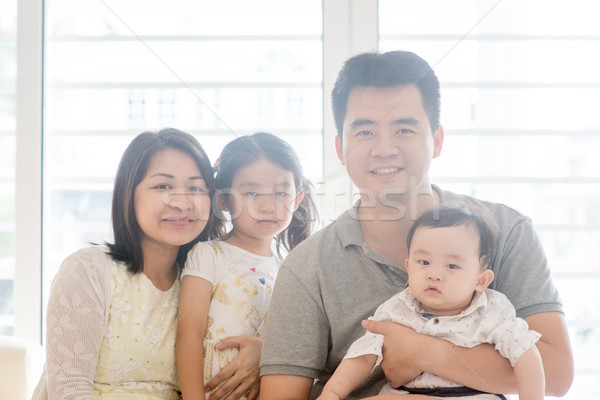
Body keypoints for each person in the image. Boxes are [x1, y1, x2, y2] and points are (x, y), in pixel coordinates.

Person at [259, 50, 574, 399]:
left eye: (404, 129)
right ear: (340, 148)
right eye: (364, 132)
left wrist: (425, 352)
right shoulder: (307, 267)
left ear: (436, 140)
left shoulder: (507, 231)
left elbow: (557, 374)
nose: (384, 148)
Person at [32, 128, 224, 399]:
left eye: (195, 188)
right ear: (128, 194)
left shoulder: (203, 282)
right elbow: (70, 389)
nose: (182, 203)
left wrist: (259, 350)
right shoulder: (88, 270)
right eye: (163, 186)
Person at [318, 207, 545, 400]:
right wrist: (332, 394)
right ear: (409, 267)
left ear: (481, 279)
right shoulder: (397, 308)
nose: (434, 274)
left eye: (452, 266)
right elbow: (364, 355)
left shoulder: (493, 311)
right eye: (424, 262)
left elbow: (526, 354)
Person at [176, 132, 317, 400]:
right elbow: (188, 336)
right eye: (252, 192)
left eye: (281, 193)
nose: (267, 206)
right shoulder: (208, 255)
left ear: (297, 200)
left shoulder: (290, 272)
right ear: (225, 200)